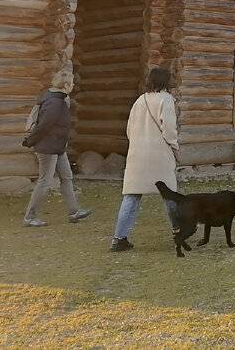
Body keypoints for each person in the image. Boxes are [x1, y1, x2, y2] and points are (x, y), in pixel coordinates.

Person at [109, 67, 180, 251]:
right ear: (166, 81)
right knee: (170, 195)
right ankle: (178, 231)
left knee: (131, 196)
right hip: (159, 155)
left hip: (137, 155)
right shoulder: (166, 100)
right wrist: (173, 145)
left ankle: (119, 238)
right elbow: (169, 129)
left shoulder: (139, 101)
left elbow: (129, 129)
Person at [22, 71, 93, 227]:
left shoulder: (58, 99)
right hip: (48, 148)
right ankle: (29, 217)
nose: (73, 85)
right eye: (71, 83)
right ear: (65, 85)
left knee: (66, 177)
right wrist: (31, 141)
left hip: (57, 146)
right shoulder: (54, 103)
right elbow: (44, 126)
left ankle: (74, 211)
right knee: (44, 182)